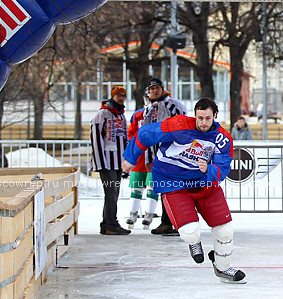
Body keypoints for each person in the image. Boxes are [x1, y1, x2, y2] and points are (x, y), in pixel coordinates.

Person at [121, 98, 246, 283]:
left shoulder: (223, 138)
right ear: (195, 115)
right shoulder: (178, 125)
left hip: (204, 182)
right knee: (190, 231)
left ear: (215, 117)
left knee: (225, 230)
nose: (203, 123)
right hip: (174, 183)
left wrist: (208, 170)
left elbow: (223, 168)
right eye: (200, 118)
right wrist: (131, 158)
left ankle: (223, 268)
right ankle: (194, 242)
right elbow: (146, 133)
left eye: (208, 118)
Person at [126, 77, 187, 233]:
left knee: (173, 189)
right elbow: (145, 135)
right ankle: (166, 222)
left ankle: (175, 222)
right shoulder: (148, 109)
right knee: (163, 189)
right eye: (151, 89)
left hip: (172, 154)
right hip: (155, 157)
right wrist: (148, 158)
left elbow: (184, 126)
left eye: (157, 88)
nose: (154, 91)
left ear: (162, 88)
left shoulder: (174, 105)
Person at [91, 86, 130, 235]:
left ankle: (107, 222)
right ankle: (111, 223)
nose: (121, 98)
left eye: (123, 95)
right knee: (111, 193)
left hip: (117, 162)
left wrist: (125, 162)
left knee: (114, 193)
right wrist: (100, 162)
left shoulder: (121, 115)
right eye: (118, 95)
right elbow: (96, 140)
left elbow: (124, 138)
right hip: (106, 162)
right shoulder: (103, 114)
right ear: (113, 96)